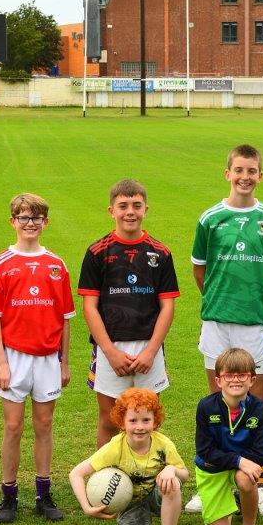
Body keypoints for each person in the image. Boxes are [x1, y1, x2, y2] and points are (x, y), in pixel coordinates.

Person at [187, 144, 263, 517]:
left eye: (252, 170)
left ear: (261, 175)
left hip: (255, 323)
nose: (245, 176)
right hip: (216, 322)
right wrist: (220, 301)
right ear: (227, 173)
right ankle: (216, 481)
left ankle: (262, 483)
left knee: (257, 403)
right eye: (238, 170)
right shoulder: (210, 219)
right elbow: (200, 271)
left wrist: (251, 306)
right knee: (217, 402)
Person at [0, 193, 75, 524]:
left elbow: (65, 318)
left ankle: (43, 494)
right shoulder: (1, 264)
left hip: (48, 358)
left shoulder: (57, 265)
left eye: (36, 218)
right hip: (15, 358)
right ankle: (9, 495)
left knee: (44, 425)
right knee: (13, 425)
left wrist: (64, 362)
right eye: (23, 218)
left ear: (45, 223)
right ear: (13, 222)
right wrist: (1, 362)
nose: (30, 224)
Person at [78, 179, 179, 446]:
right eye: (123, 206)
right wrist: (110, 352)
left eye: (136, 205)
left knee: (148, 419)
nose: (130, 211)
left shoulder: (160, 253)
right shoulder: (97, 252)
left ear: (146, 209)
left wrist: (151, 351)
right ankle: (108, 480)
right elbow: (89, 306)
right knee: (109, 419)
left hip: (148, 346)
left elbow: (167, 306)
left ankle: (146, 478)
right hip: (110, 346)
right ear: (111, 211)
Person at [69, 387, 189, 525]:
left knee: (172, 483)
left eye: (146, 420)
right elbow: (76, 473)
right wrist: (86, 507)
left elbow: (185, 474)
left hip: (157, 495)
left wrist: (171, 469)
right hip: (129, 503)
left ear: (155, 421)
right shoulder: (115, 447)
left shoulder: (163, 444)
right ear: (122, 423)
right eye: (133, 420)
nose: (139, 426)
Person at [194, 349, 263, 525]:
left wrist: (241, 465)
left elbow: (262, 453)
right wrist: (239, 461)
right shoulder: (205, 407)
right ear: (219, 380)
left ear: (252, 380)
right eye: (229, 375)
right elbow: (205, 452)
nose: (235, 380)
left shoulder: (260, 409)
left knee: (246, 479)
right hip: (212, 469)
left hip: (241, 467)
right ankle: (228, 501)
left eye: (242, 375)